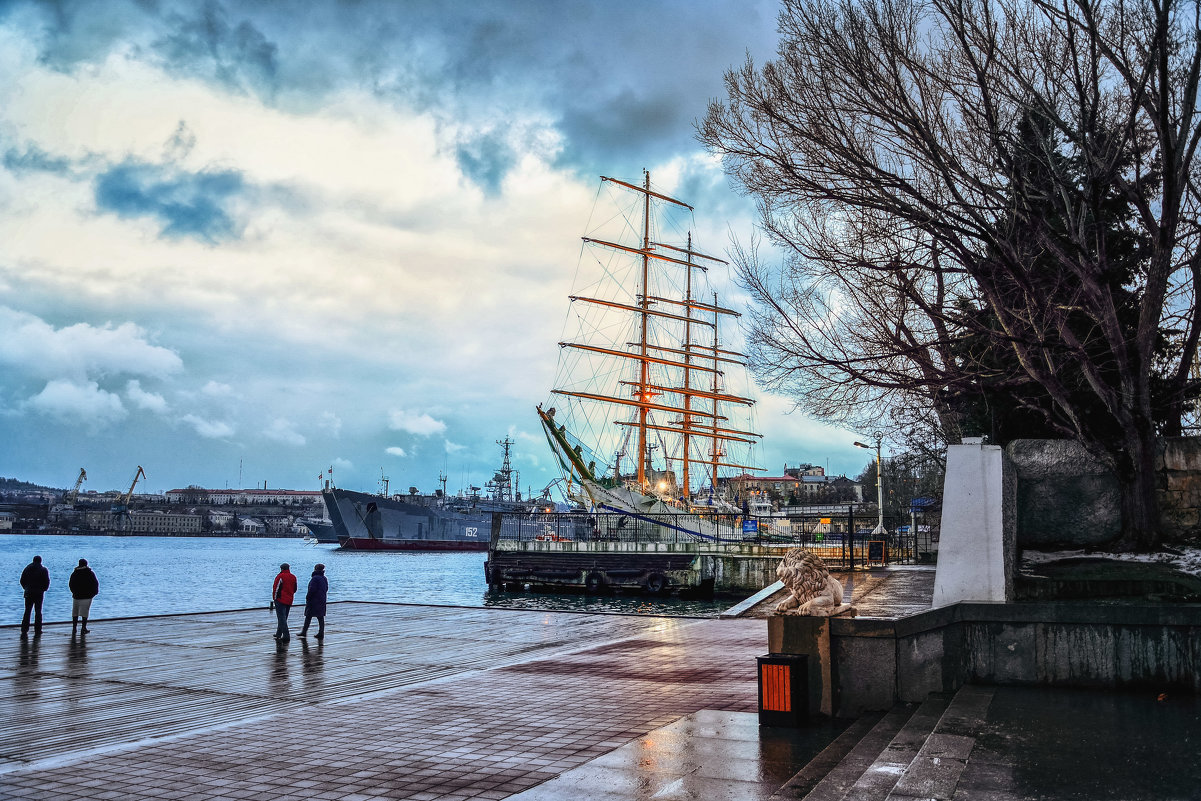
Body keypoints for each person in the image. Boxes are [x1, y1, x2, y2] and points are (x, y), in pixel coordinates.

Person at [19, 556, 51, 636]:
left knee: (27, 611)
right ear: (40, 561)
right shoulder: (43, 570)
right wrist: (44, 589)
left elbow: (22, 580)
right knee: (38, 611)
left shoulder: (27, 569)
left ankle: (24, 629)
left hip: (28, 592)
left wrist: (26, 588)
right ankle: (38, 629)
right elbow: (46, 581)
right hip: (39, 593)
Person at [68, 558, 99, 635]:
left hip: (76, 596)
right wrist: (94, 593)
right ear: (86, 564)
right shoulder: (90, 573)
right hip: (87, 596)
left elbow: (71, 584)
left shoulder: (74, 573)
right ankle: (83, 628)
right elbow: (95, 583)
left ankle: (74, 628)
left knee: (75, 612)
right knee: (85, 612)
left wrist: (74, 592)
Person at [298, 563, 328, 640]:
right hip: (322, 599)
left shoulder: (314, 578)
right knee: (320, 617)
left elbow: (312, 589)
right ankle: (321, 632)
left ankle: (304, 631)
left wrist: (308, 597)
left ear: (315, 569)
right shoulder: (324, 578)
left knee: (308, 616)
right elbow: (326, 588)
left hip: (314, 600)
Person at [271, 563, 297, 641]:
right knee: (284, 617)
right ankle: (278, 633)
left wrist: (275, 598)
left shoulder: (280, 576)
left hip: (280, 599)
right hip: (289, 599)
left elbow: (276, 588)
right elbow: (295, 589)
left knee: (281, 618)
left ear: (281, 569)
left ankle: (286, 635)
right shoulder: (293, 577)